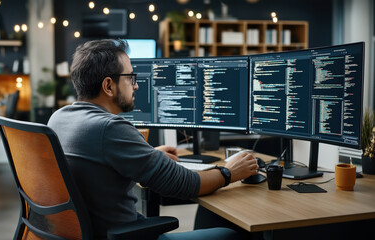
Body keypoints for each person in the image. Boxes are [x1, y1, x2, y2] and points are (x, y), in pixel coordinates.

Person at [48, 39, 258, 240]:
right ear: (109, 86)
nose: (136, 86)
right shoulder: (110, 128)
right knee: (230, 234)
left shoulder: (58, 118)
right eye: (130, 78)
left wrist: (150, 156)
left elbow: (96, 167)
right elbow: (186, 184)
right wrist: (229, 172)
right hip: (123, 236)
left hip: (82, 233)